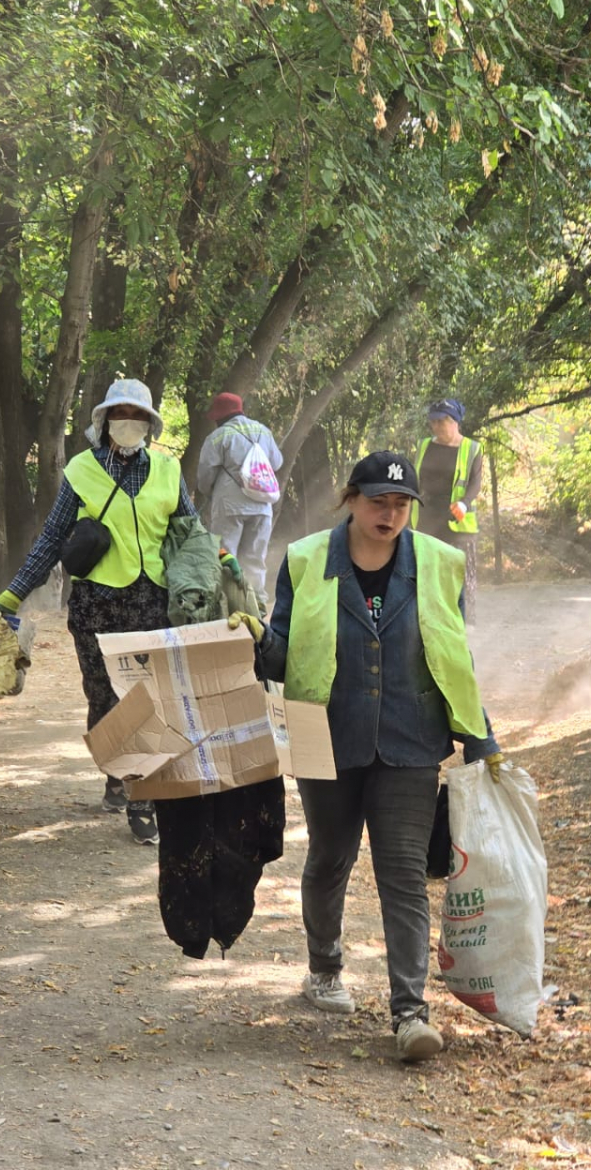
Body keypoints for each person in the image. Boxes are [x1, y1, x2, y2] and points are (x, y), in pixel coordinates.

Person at [229, 450, 503, 1062]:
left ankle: (410, 1013)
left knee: (403, 873)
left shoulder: (437, 563)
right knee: (329, 858)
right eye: (378, 501)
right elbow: (279, 658)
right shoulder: (304, 561)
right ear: (351, 498)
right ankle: (324, 968)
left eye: (401, 504)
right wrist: (249, 637)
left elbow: (452, 657)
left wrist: (480, 736)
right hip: (324, 733)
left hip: (410, 738)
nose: (390, 513)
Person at [0, 379, 197, 845]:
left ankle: (142, 800)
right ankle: (116, 775)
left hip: (153, 602)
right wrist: (14, 594)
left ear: (149, 422)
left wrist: (220, 565)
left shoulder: (167, 469)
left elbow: (190, 529)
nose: (129, 422)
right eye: (120, 413)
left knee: (147, 700)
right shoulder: (82, 470)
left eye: (137, 414)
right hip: (97, 606)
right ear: (105, 421)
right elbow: (51, 539)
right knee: (104, 701)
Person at [196, 392, 283, 613]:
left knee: (226, 556)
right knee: (255, 558)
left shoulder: (218, 436)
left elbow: (205, 476)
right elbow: (277, 462)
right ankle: (257, 608)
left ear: (219, 416)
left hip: (229, 506)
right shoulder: (263, 430)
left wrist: (208, 493)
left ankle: (229, 607)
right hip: (262, 504)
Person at [411, 398, 483, 619]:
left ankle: (463, 620)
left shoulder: (472, 448)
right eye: (433, 422)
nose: (436, 427)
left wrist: (464, 503)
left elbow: (475, 482)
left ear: (455, 422)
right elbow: (414, 477)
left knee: (459, 571)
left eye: (441, 422)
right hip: (426, 516)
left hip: (456, 518)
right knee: (427, 570)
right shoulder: (424, 445)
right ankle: (430, 617)